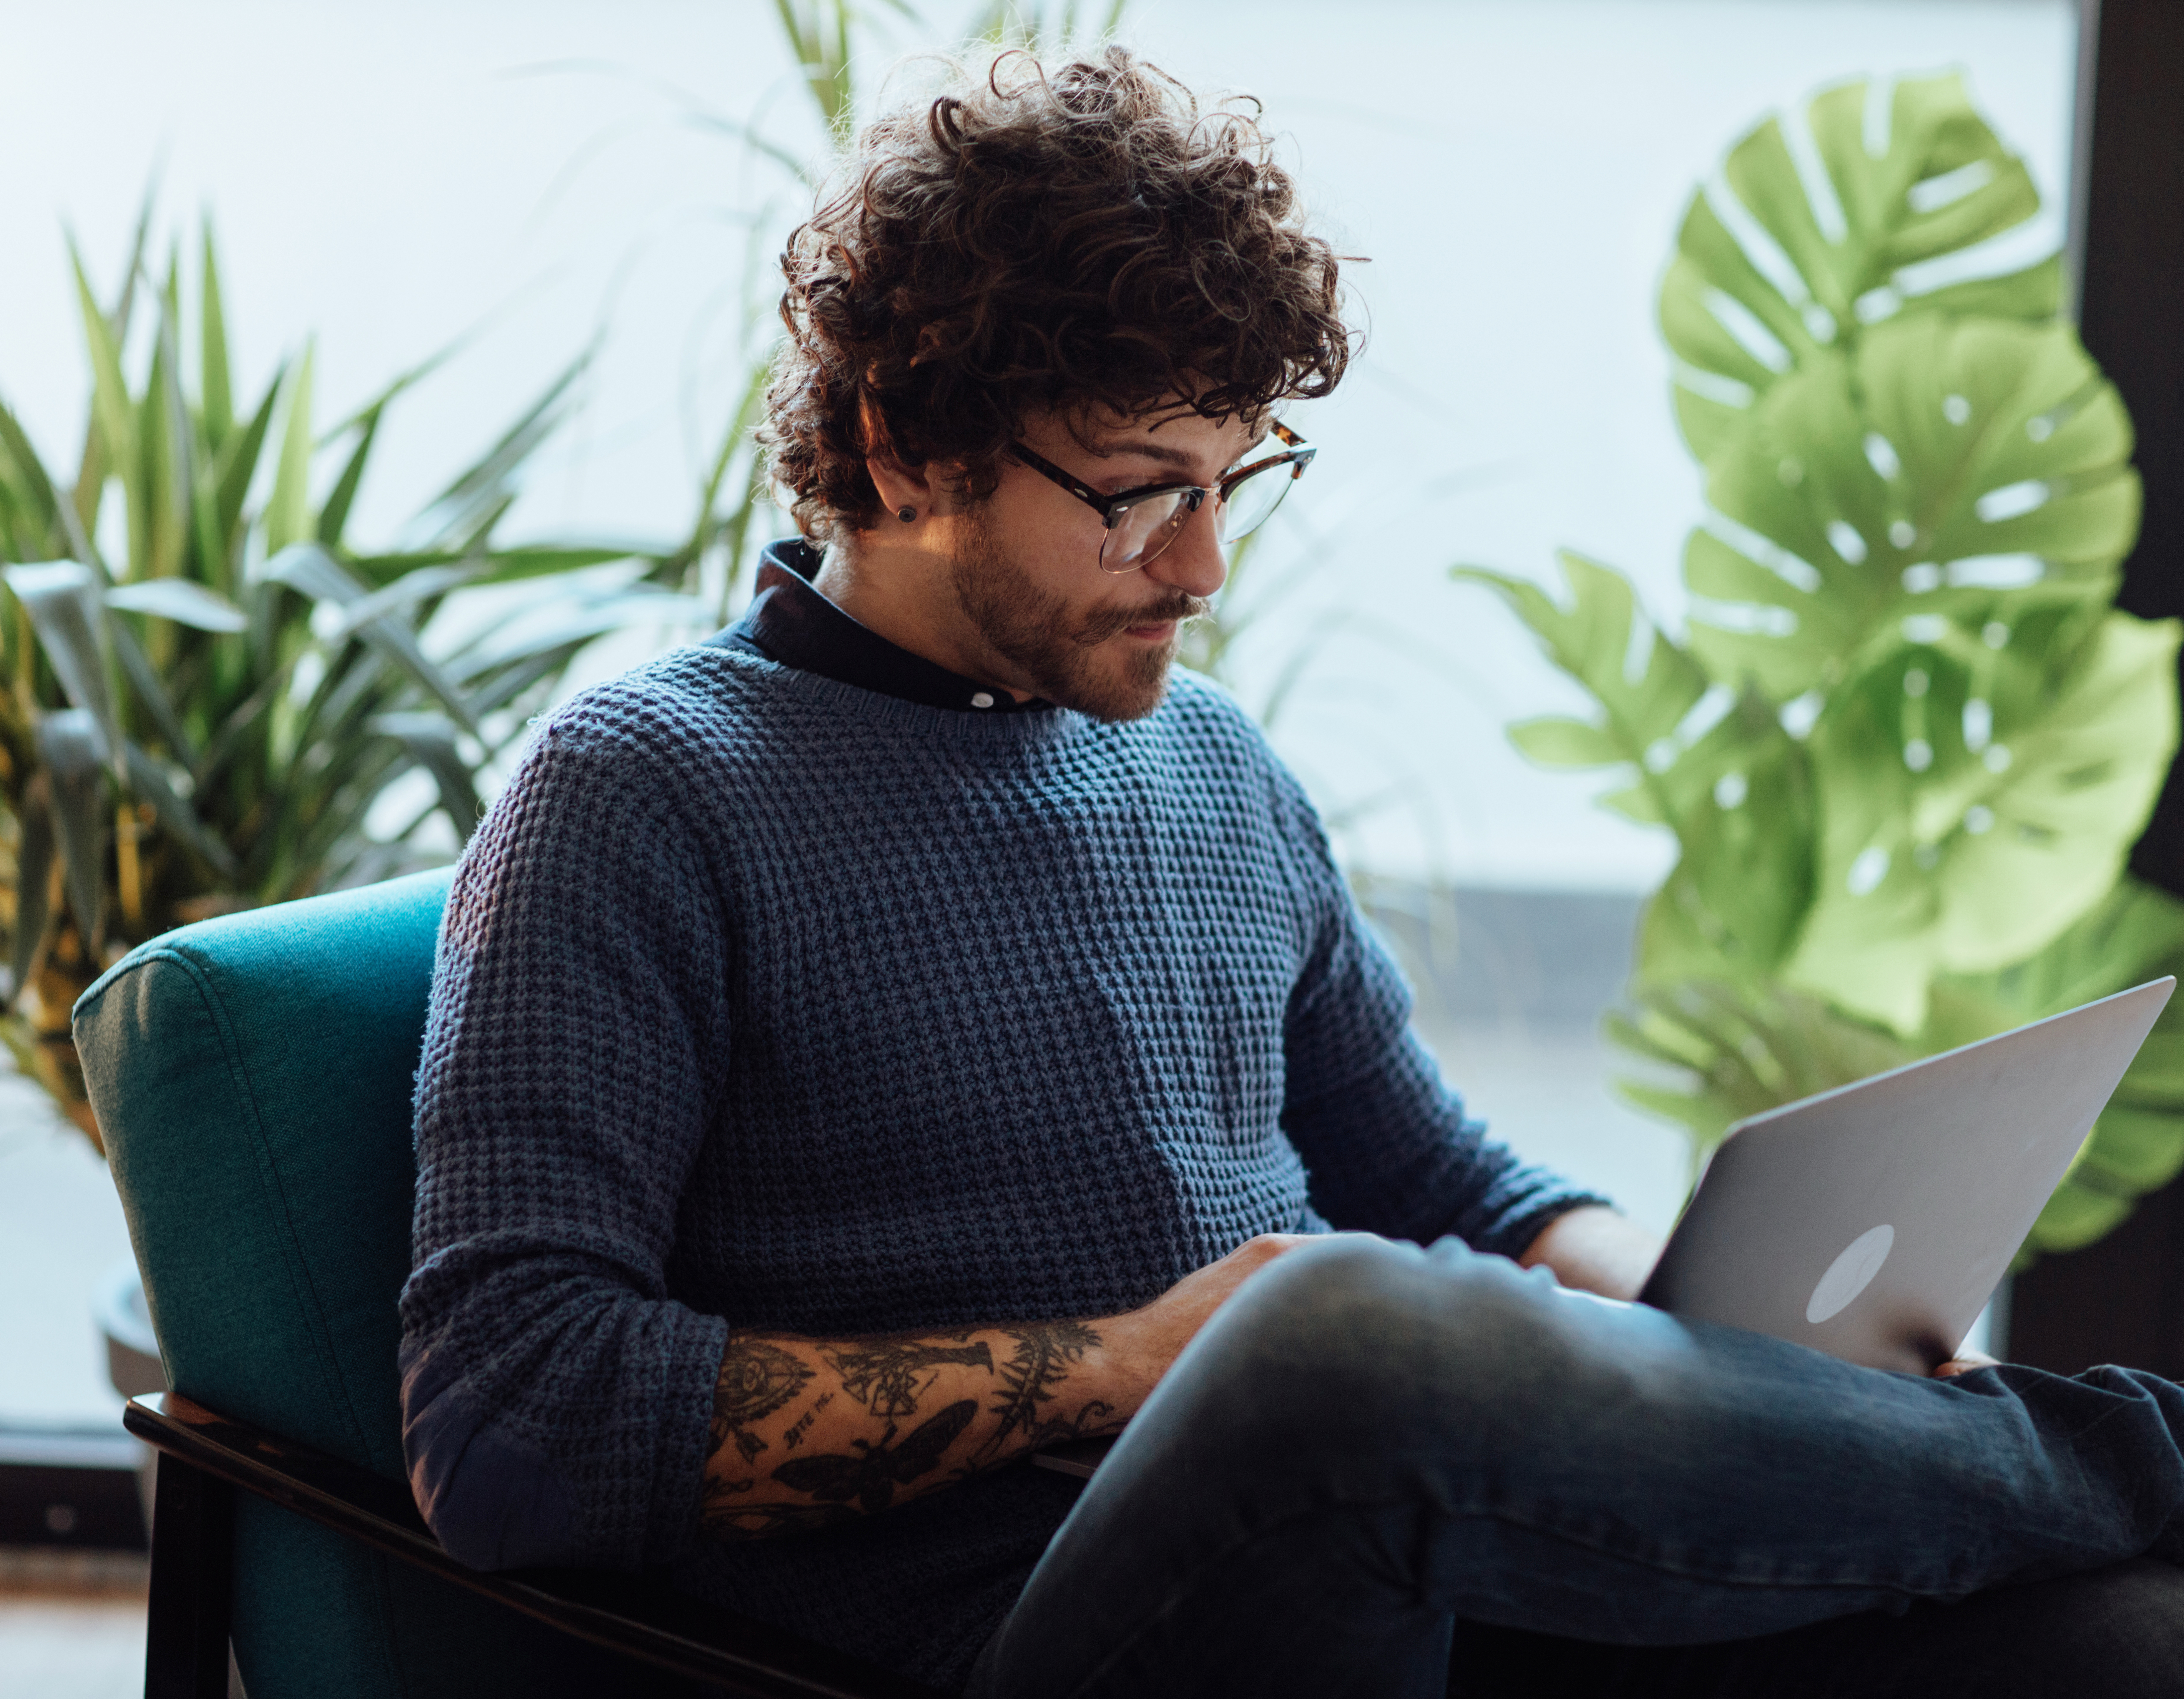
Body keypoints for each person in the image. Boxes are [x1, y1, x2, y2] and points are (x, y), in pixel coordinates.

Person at [398, 45, 2184, 1698]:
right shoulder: (637, 792)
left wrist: (1732, 1342)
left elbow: (1447, 1181)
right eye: (1133, 491)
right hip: (1018, 1633)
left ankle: (2061, 1481)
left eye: (1233, 480)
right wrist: (1115, 1368)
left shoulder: (1210, 763)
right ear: (905, 445)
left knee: (2119, 1643)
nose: (1202, 567)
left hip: (1398, 1568)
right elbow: (510, 1425)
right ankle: (2131, 1453)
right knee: (1329, 1341)